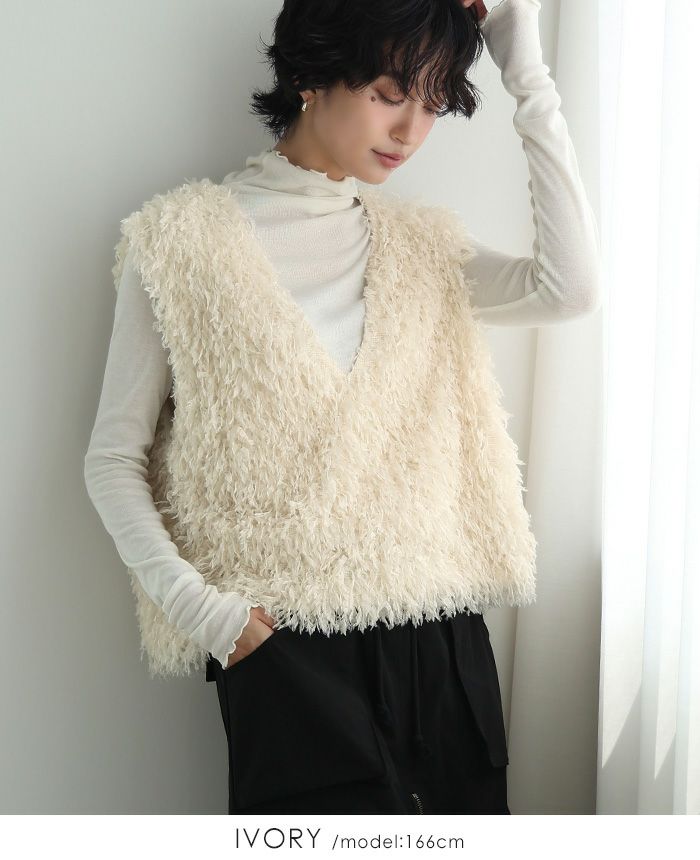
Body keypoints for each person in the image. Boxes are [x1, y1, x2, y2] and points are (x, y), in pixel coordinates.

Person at [84, 0, 601, 815]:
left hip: (440, 637)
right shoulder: (180, 241)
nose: (411, 130)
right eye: (391, 93)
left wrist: (522, 61)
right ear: (311, 73)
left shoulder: (422, 250)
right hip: (284, 653)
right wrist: (211, 619)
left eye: (433, 103)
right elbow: (113, 460)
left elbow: (568, 288)